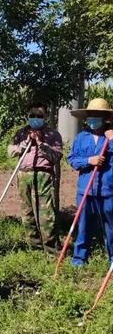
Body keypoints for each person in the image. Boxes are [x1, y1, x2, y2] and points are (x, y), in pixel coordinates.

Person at [8, 101, 63, 254]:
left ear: (45, 117)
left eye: (39, 115)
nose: (35, 118)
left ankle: (52, 251)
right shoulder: (20, 133)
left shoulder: (53, 135)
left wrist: (40, 143)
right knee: (27, 215)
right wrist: (25, 143)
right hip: (24, 175)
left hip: (43, 175)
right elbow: (11, 151)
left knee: (46, 216)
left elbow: (56, 156)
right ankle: (36, 250)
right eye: (32, 115)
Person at [68, 98, 113, 266]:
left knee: (111, 227)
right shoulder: (81, 137)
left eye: (98, 116)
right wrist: (89, 161)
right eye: (91, 115)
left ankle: (112, 261)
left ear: (106, 118)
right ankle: (79, 259)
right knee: (83, 225)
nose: (93, 119)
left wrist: (112, 139)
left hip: (108, 190)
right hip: (85, 189)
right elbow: (72, 159)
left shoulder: (111, 136)